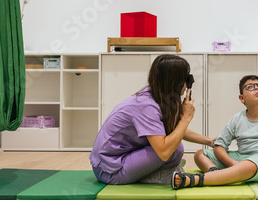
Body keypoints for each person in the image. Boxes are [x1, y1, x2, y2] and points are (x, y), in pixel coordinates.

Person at [90, 54, 215, 185]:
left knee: (175, 147)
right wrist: (186, 117)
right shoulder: (146, 106)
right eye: (185, 79)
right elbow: (164, 152)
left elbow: (175, 129)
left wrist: (209, 141)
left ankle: (155, 170)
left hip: (118, 160)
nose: (187, 84)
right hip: (110, 171)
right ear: (175, 82)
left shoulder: (156, 97)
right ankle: (154, 175)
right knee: (173, 149)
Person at [172, 75, 258, 189]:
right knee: (201, 154)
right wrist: (232, 163)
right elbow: (219, 146)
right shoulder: (237, 119)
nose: (257, 88)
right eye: (250, 87)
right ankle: (216, 174)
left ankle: (194, 180)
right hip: (243, 157)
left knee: (248, 165)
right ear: (242, 98)